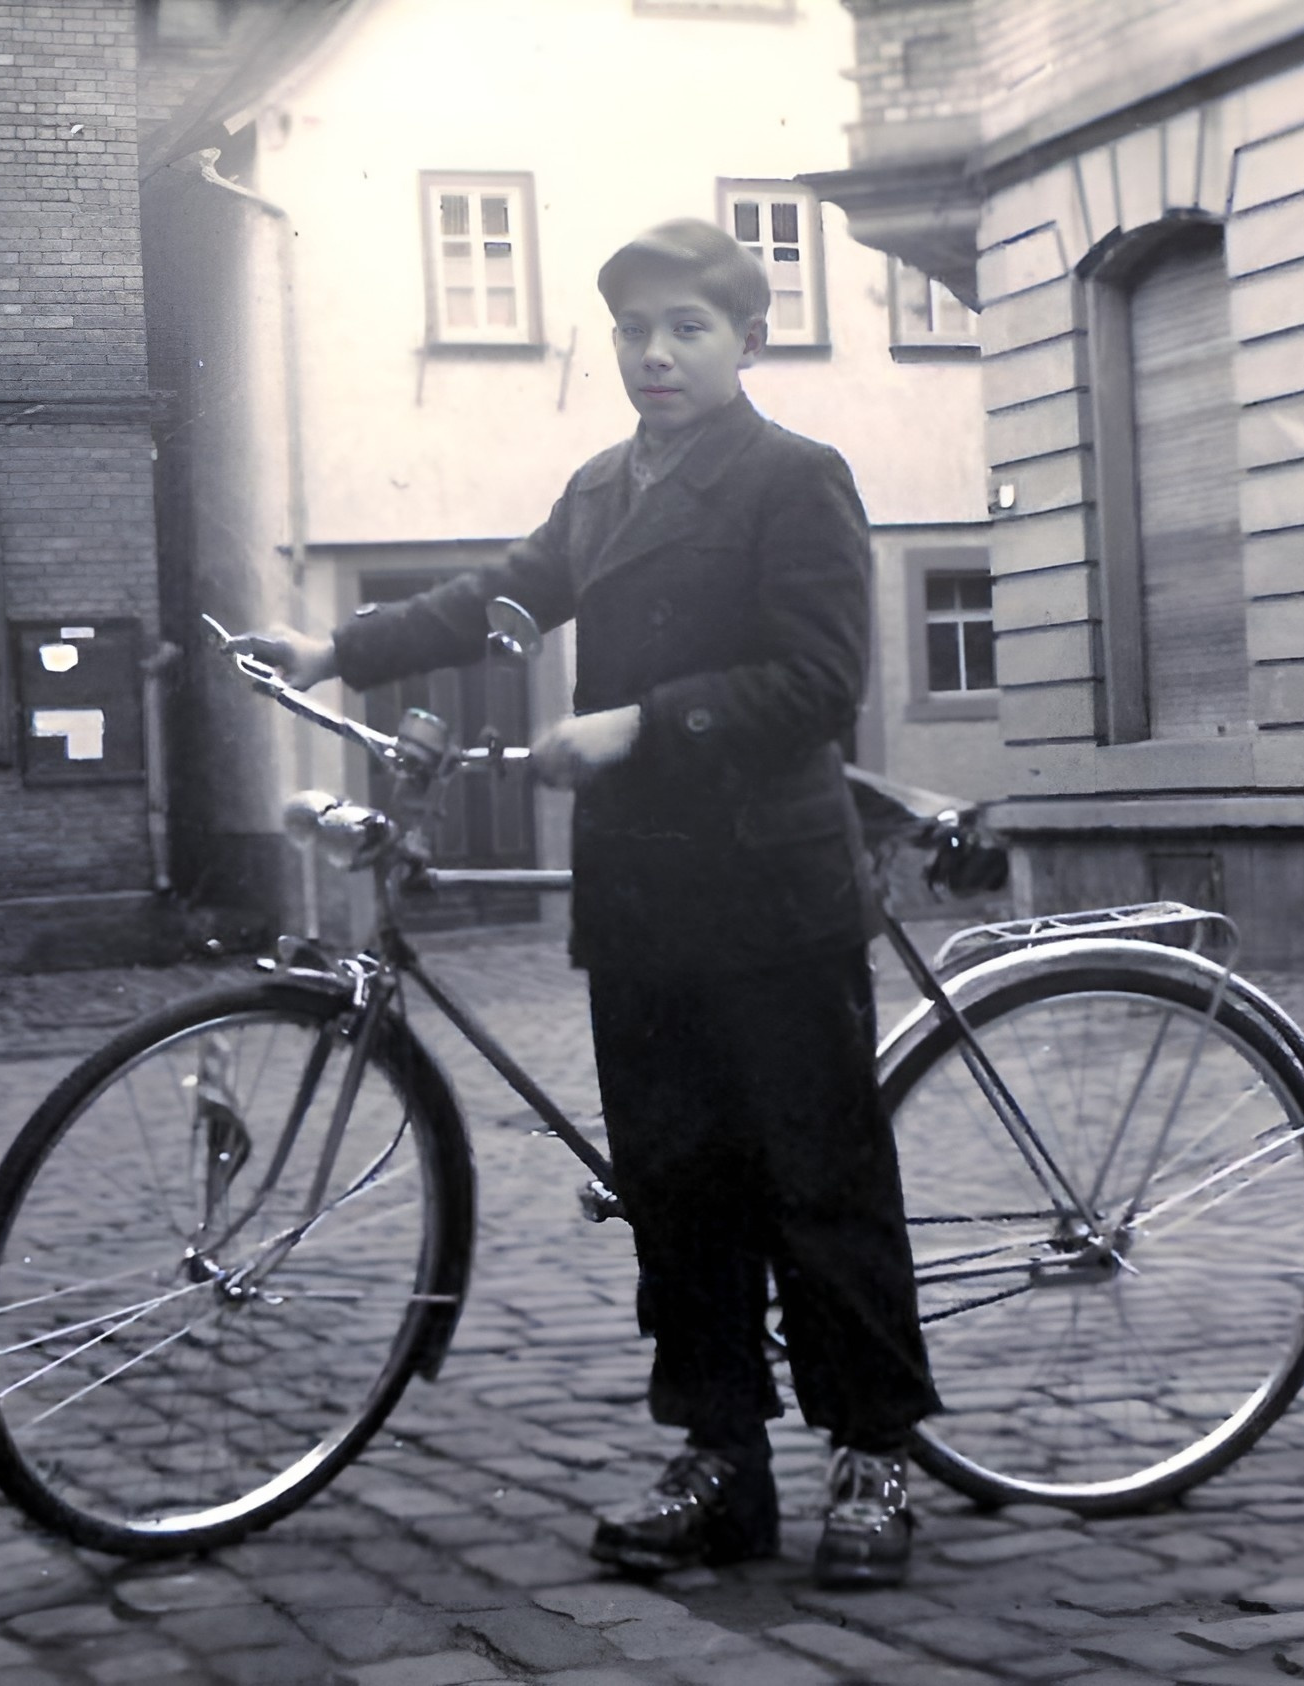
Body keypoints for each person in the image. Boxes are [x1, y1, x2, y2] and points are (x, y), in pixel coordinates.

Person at [232, 217, 939, 1589]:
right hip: (645, 899)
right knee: (673, 1188)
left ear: (749, 341)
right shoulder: (604, 486)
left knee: (817, 1184)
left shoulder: (796, 478)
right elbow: (501, 593)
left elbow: (818, 683)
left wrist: (637, 726)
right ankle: (720, 1460)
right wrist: (333, 647)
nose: (655, 353)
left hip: (770, 890)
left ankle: (872, 1455)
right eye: (633, 329)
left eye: (686, 328)